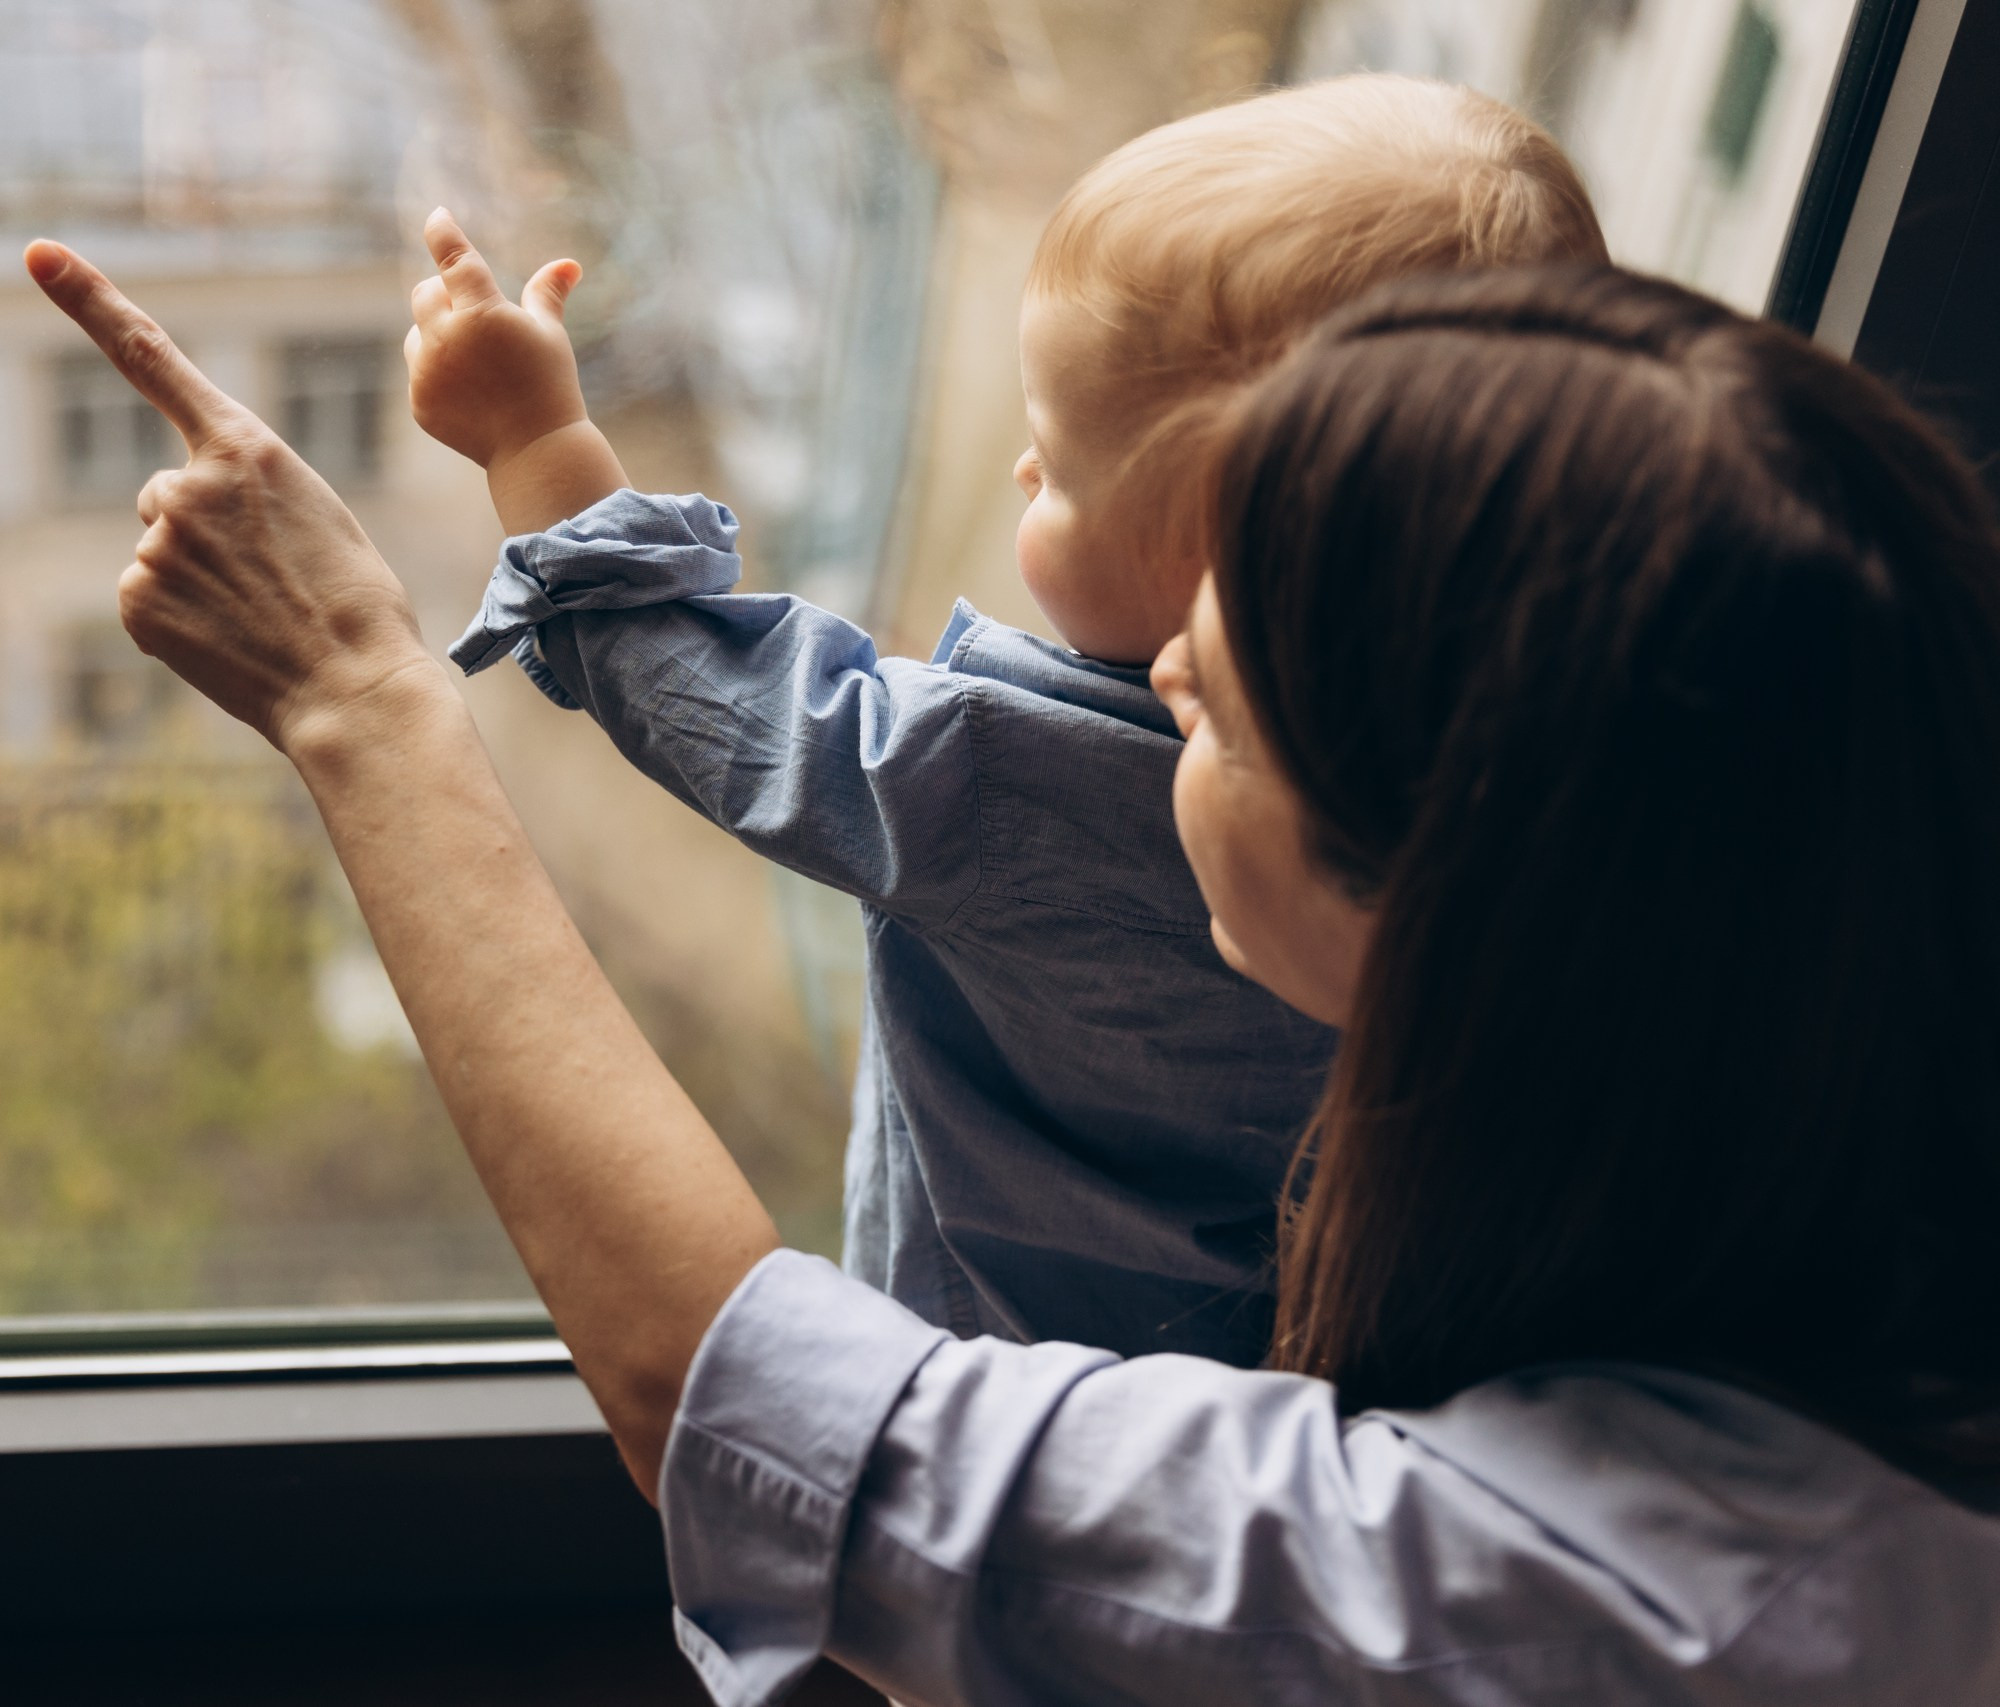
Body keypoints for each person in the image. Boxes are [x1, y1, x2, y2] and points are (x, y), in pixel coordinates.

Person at [29, 244, 2000, 1702]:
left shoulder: (1576, 1601)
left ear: (1464, 900)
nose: (1141, 687)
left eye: (1213, 703)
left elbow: (742, 1405)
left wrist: (361, 694)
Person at [405, 76, 1609, 1364]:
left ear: (1223, 568)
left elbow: (695, 684)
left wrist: (534, 441)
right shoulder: (1569, 775)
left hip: (1001, 1397)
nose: (1026, 469)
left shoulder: (1010, 788)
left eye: (1059, 460)